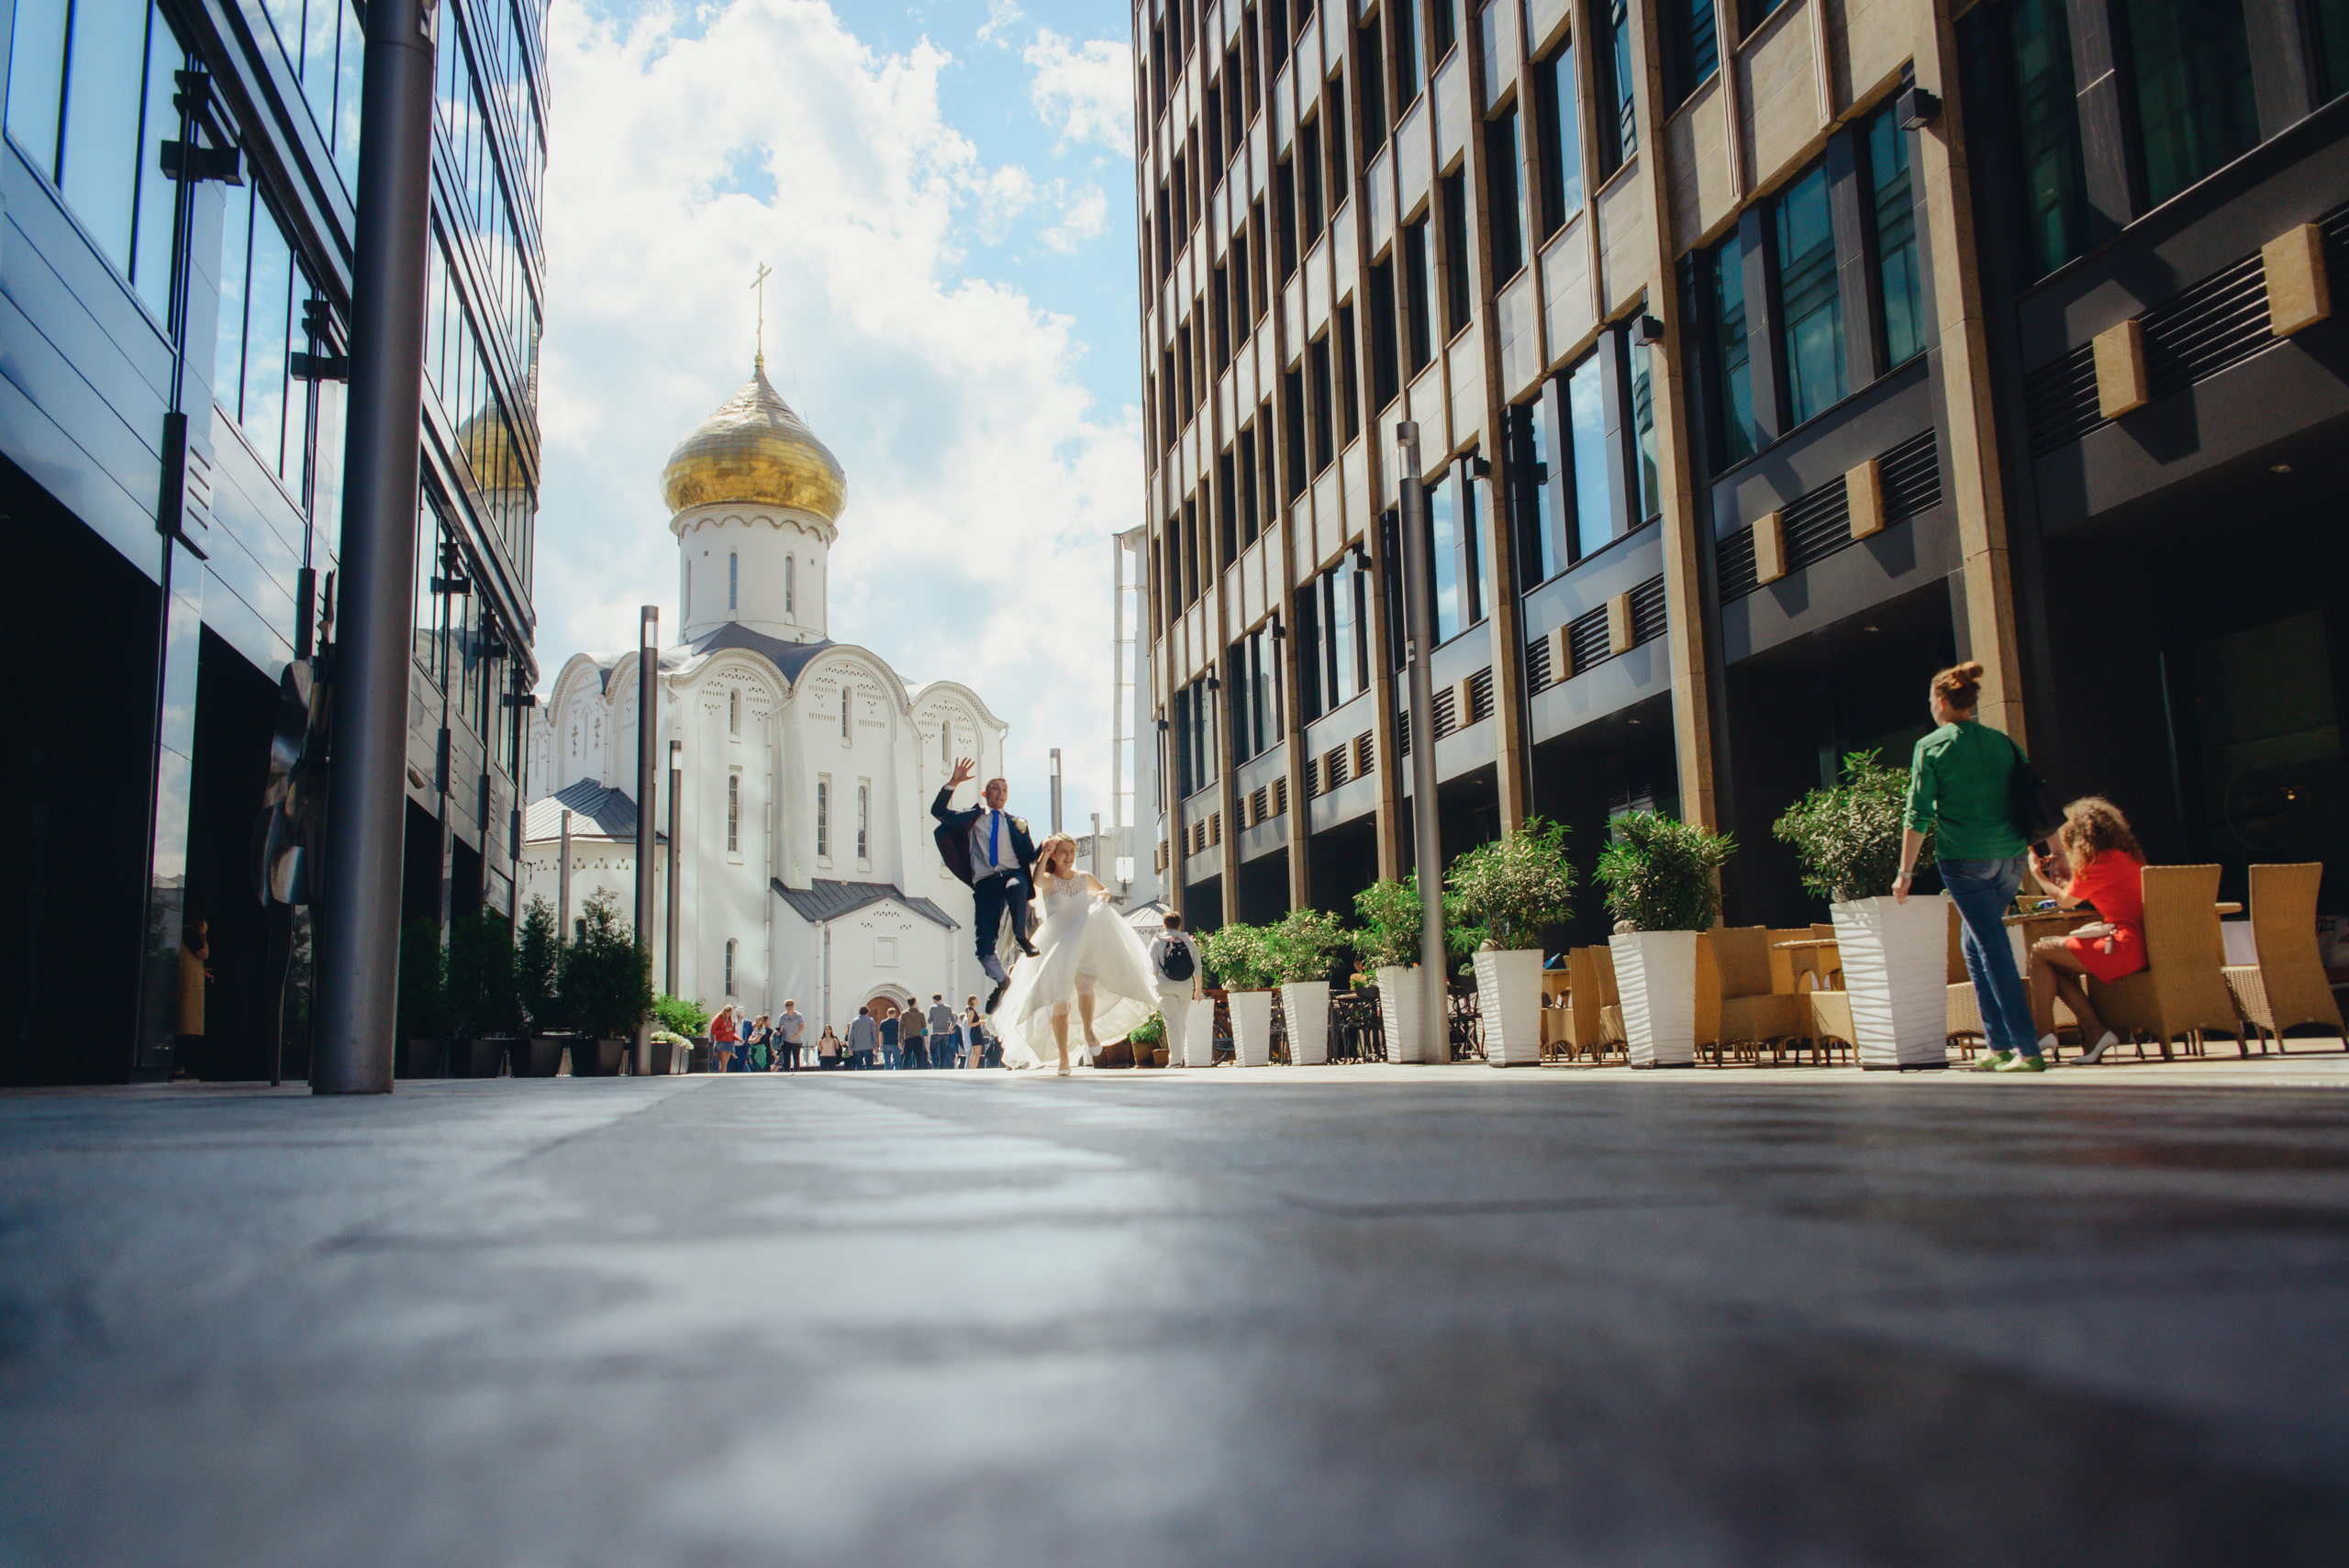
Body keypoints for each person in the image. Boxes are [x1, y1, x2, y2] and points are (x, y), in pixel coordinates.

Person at [1895, 660, 2045, 1073]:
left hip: (1966, 861)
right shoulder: (2003, 742)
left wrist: (1905, 873)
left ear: (1941, 701)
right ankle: (1997, 1045)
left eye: (1931, 699)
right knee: (1974, 944)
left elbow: (1918, 813)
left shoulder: (1932, 746)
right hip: (2011, 859)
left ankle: (2027, 1049)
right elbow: (2030, 796)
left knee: (1993, 948)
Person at [991, 834, 1161, 1075]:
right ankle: (1063, 1058)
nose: (1069, 856)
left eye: (1072, 851)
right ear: (1054, 856)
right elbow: (1037, 879)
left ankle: (1089, 1030)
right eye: (1063, 852)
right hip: (1057, 946)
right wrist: (1044, 853)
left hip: (1084, 944)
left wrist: (1103, 895)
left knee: (1085, 984)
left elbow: (1103, 889)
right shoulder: (1050, 880)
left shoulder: (1083, 878)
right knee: (1060, 1004)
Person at [2027, 796, 2144, 1065]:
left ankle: (2042, 1033)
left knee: (2039, 952)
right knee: (2052, 966)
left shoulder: (2095, 863)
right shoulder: (2126, 856)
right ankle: (2095, 1032)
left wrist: (2038, 876)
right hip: (2142, 944)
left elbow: (2066, 901)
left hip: (2123, 948)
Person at [931, 757, 1040, 1015]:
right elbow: (938, 812)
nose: (1000, 793)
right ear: (985, 793)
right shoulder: (973, 817)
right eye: (995, 788)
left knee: (1016, 885)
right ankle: (1002, 982)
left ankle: (1021, 936)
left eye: (1004, 790)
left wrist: (1045, 848)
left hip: (1011, 874)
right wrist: (954, 782)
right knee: (983, 949)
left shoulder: (1017, 823)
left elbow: (1028, 857)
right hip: (986, 883)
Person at [1148, 911, 1208, 1067]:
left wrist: (1152, 985)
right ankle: (1178, 1059)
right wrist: (1198, 989)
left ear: (1164, 924)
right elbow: (1197, 965)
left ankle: (1175, 1060)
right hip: (1186, 986)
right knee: (1180, 1022)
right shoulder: (1188, 941)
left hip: (1164, 985)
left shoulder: (1156, 941)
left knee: (1172, 1023)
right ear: (1179, 925)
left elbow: (1152, 967)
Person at [172, 917, 212, 1082]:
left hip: (189, 983)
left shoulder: (183, 933)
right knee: (186, 1027)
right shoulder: (189, 932)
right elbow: (203, 953)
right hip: (189, 985)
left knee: (187, 1027)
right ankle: (178, 1069)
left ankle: (178, 1067)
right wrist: (203, 935)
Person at [929, 995, 959, 1069]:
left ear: (934, 1000)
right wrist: (950, 1028)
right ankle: (942, 1066)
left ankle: (935, 1065)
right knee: (943, 1051)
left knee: (933, 1050)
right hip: (945, 1033)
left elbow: (929, 1021)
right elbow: (954, 1020)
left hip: (936, 1032)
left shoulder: (932, 1008)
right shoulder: (948, 1008)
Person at [846, 1005, 879, 1071]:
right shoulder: (870, 1020)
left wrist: (850, 1047)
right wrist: (875, 1045)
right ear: (867, 1012)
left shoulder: (854, 1021)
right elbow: (874, 1034)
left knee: (858, 1065)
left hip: (857, 1047)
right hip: (868, 1046)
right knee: (869, 1065)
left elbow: (851, 1035)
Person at [710, 1005, 741, 1073]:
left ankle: (723, 1074)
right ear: (724, 1012)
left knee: (725, 1062)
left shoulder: (729, 1020)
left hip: (729, 1042)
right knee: (723, 1061)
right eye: (728, 1013)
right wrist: (724, 1030)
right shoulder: (718, 1019)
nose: (730, 1014)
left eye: (731, 1013)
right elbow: (713, 1031)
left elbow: (731, 1032)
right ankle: (722, 1076)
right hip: (721, 1042)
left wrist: (737, 1038)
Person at [776, 1000, 806, 1072]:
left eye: (791, 1005)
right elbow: (780, 1027)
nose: (789, 1006)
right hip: (786, 1040)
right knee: (786, 1059)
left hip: (797, 1041)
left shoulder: (798, 1016)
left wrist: (796, 1034)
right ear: (785, 1006)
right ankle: (786, 1073)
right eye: (787, 1005)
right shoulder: (782, 1016)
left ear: (794, 1005)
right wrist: (778, 1033)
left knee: (796, 1058)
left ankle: (796, 1073)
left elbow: (802, 1027)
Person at [878, 1006, 901, 1070]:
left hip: (886, 1044)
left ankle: (887, 1075)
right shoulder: (898, 1023)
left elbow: (881, 1035)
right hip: (895, 1044)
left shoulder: (883, 1022)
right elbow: (900, 1034)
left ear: (887, 1014)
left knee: (887, 1063)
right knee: (897, 1063)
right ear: (895, 1014)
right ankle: (897, 1075)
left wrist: (880, 1045)